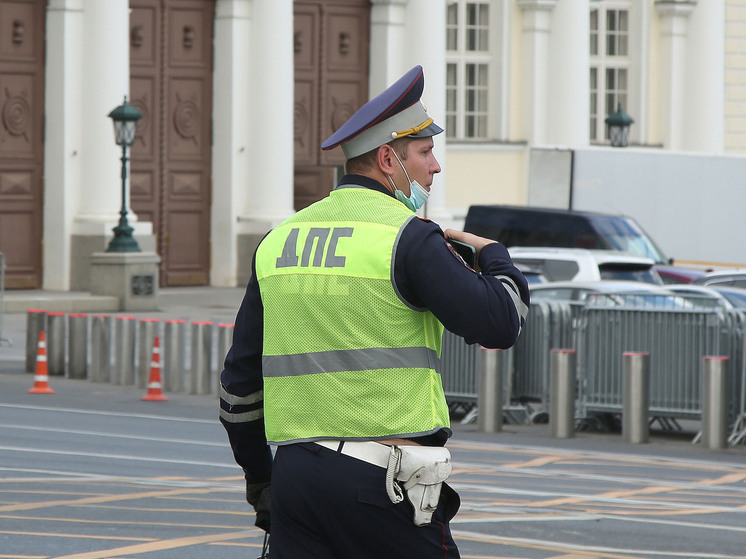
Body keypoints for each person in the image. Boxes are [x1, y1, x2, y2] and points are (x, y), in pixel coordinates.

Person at [220, 65, 530, 558]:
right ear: (389, 159)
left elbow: (237, 389)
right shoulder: (408, 236)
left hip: (298, 477)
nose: (435, 167)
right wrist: (495, 256)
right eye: (425, 152)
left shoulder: (278, 239)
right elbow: (500, 322)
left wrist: (262, 479)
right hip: (385, 484)